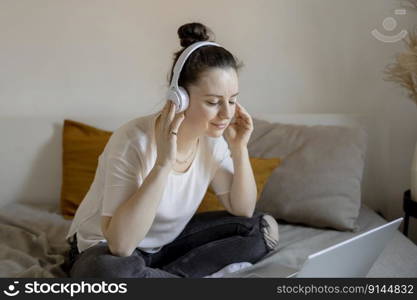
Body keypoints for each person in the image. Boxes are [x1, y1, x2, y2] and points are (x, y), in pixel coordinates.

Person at [65, 22, 279, 278]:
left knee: (261, 227)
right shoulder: (133, 140)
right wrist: (163, 164)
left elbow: (242, 209)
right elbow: (120, 245)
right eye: (213, 102)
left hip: (166, 247)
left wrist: (239, 148)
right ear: (180, 98)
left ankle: (163, 277)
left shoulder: (213, 140)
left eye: (232, 100)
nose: (226, 114)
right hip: (105, 250)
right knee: (105, 272)